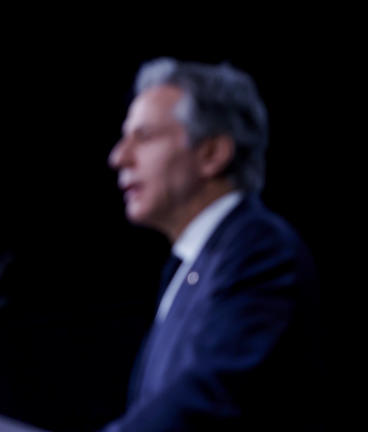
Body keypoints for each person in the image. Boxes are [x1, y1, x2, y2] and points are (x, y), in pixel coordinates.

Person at [100, 58, 322, 431]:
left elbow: (211, 397)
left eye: (145, 137)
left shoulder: (259, 249)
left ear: (212, 153)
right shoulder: (191, 265)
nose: (119, 157)